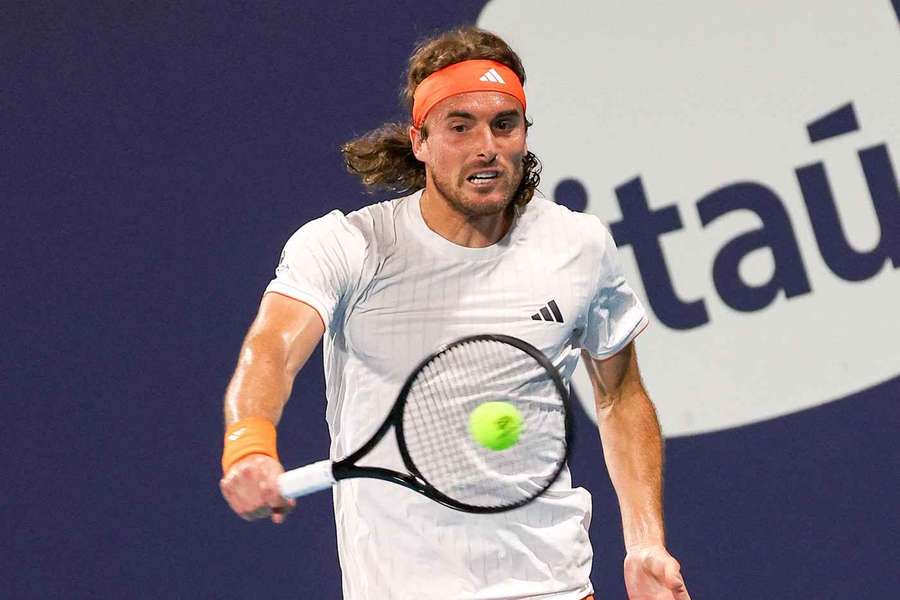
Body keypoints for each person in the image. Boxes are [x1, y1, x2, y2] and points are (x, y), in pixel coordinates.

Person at [218, 25, 691, 600]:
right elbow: (272, 349)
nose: (486, 146)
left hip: (552, 586)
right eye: (459, 126)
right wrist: (248, 443)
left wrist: (645, 541)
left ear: (524, 133)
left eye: (504, 124)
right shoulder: (348, 246)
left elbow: (621, 396)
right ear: (419, 140)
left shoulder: (579, 245)